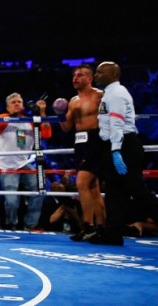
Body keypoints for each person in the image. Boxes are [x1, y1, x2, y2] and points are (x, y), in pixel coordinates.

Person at [88, 61, 158, 248]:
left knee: (138, 191)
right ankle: (113, 233)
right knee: (114, 193)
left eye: (100, 72)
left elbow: (117, 123)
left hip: (122, 145)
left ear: (113, 74)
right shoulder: (109, 94)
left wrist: (116, 150)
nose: (97, 75)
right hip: (115, 144)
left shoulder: (117, 94)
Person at [0, 92, 51, 230]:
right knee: (11, 201)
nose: (17, 104)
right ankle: (12, 224)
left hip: (24, 163)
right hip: (6, 166)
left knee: (40, 189)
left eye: (19, 102)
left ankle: (31, 225)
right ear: (8, 107)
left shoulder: (31, 120)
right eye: (13, 102)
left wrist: (42, 112)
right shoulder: (4, 119)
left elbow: (46, 133)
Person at [53, 64, 106, 241]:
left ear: (90, 78)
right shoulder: (73, 101)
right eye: (74, 75)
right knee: (93, 187)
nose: (75, 78)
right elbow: (66, 128)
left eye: (80, 75)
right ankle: (102, 227)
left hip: (97, 140)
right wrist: (60, 114)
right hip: (80, 142)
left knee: (82, 183)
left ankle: (88, 226)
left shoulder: (100, 96)